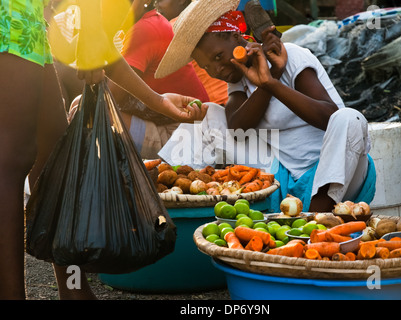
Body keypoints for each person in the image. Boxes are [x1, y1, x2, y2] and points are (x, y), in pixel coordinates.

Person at [0, 0, 206, 300]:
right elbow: (95, 40)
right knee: (13, 159)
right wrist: (91, 40)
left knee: (54, 156)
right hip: (11, 14)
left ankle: (73, 289)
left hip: (28, 18)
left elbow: (99, 48)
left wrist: (159, 101)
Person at [154, 0, 376, 213]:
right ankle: (169, 192)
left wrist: (272, 80)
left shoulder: (290, 55)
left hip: (338, 176)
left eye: (218, 56)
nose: (217, 70)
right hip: (283, 177)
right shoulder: (239, 79)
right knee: (207, 115)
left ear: (235, 36)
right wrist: (269, 80)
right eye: (206, 66)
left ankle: (314, 222)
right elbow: (237, 129)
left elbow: (328, 116)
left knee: (349, 118)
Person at [107, 1, 210, 159]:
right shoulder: (148, 21)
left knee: (96, 113)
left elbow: (110, 98)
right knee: (82, 106)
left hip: (182, 136)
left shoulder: (143, 30)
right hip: (175, 125)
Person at [154, 0, 229, 106]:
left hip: (218, 103)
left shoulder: (172, 29)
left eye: (160, 0)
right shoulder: (209, 16)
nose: (157, 5)